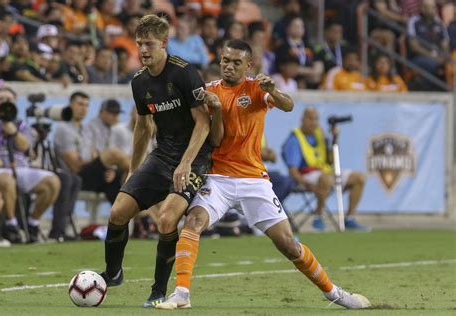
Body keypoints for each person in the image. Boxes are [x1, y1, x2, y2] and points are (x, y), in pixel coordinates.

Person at [156, 39, 370, 310]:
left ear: (249, 65)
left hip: (254, 181)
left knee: (289, 245)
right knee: (193, 222)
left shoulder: (257, 88)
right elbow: (217, 139)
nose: (229, 66)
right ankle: (182, 294)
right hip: (219, 178)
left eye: (236, 62)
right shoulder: (209, 92)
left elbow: (288, 105)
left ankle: (334, 293)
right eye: (225, 60)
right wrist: (217, 110)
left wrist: (274, 91)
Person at [99, 14, 212, 308]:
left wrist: (186, 163)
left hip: (195, 158)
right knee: (118, 212)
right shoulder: (139, 82)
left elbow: (203, 124)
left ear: (164, 43)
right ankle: (113, 273)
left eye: (148, 43)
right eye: (139, 44)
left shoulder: (185, 74)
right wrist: (133, 168)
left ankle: (158, 290)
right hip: (161, 156)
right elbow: (144, 127)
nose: (143, 50)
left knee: (166, 219)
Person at [272, 107, 368, 231]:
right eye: (310, 119)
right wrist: (306, 184)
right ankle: (318, 215)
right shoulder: (295, 139)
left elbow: (331, 161)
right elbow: (293, 171)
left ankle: (350, 218)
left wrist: (334, 140)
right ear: (303, 120)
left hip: (325, 172)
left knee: (359, 178)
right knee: (326, 179)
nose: (313, 122)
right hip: (306, 175)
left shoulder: (321, 134)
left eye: (316, 119)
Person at [0, 87, 61, 243]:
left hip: (20, 168)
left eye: (9, 100)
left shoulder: (21, 125)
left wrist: (10, 128)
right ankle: (11, 225)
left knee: (52, 182)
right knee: (6, 179)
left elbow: (26, 147)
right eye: (0, 99)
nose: (5, 103)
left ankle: (33, 223)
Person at [53, 91, 128, 205]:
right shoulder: (64, 128)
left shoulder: (83, 129)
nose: (83, 108)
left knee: (130, 193)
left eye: (86, 105)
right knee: (114, 154)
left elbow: (93, 155)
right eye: (80, 104)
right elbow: (75, 166)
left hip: (93, 174)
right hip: (77, 178)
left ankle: (146, 219)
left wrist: (112, 170)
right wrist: (100, 160)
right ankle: (139, 172)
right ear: (70, 105)